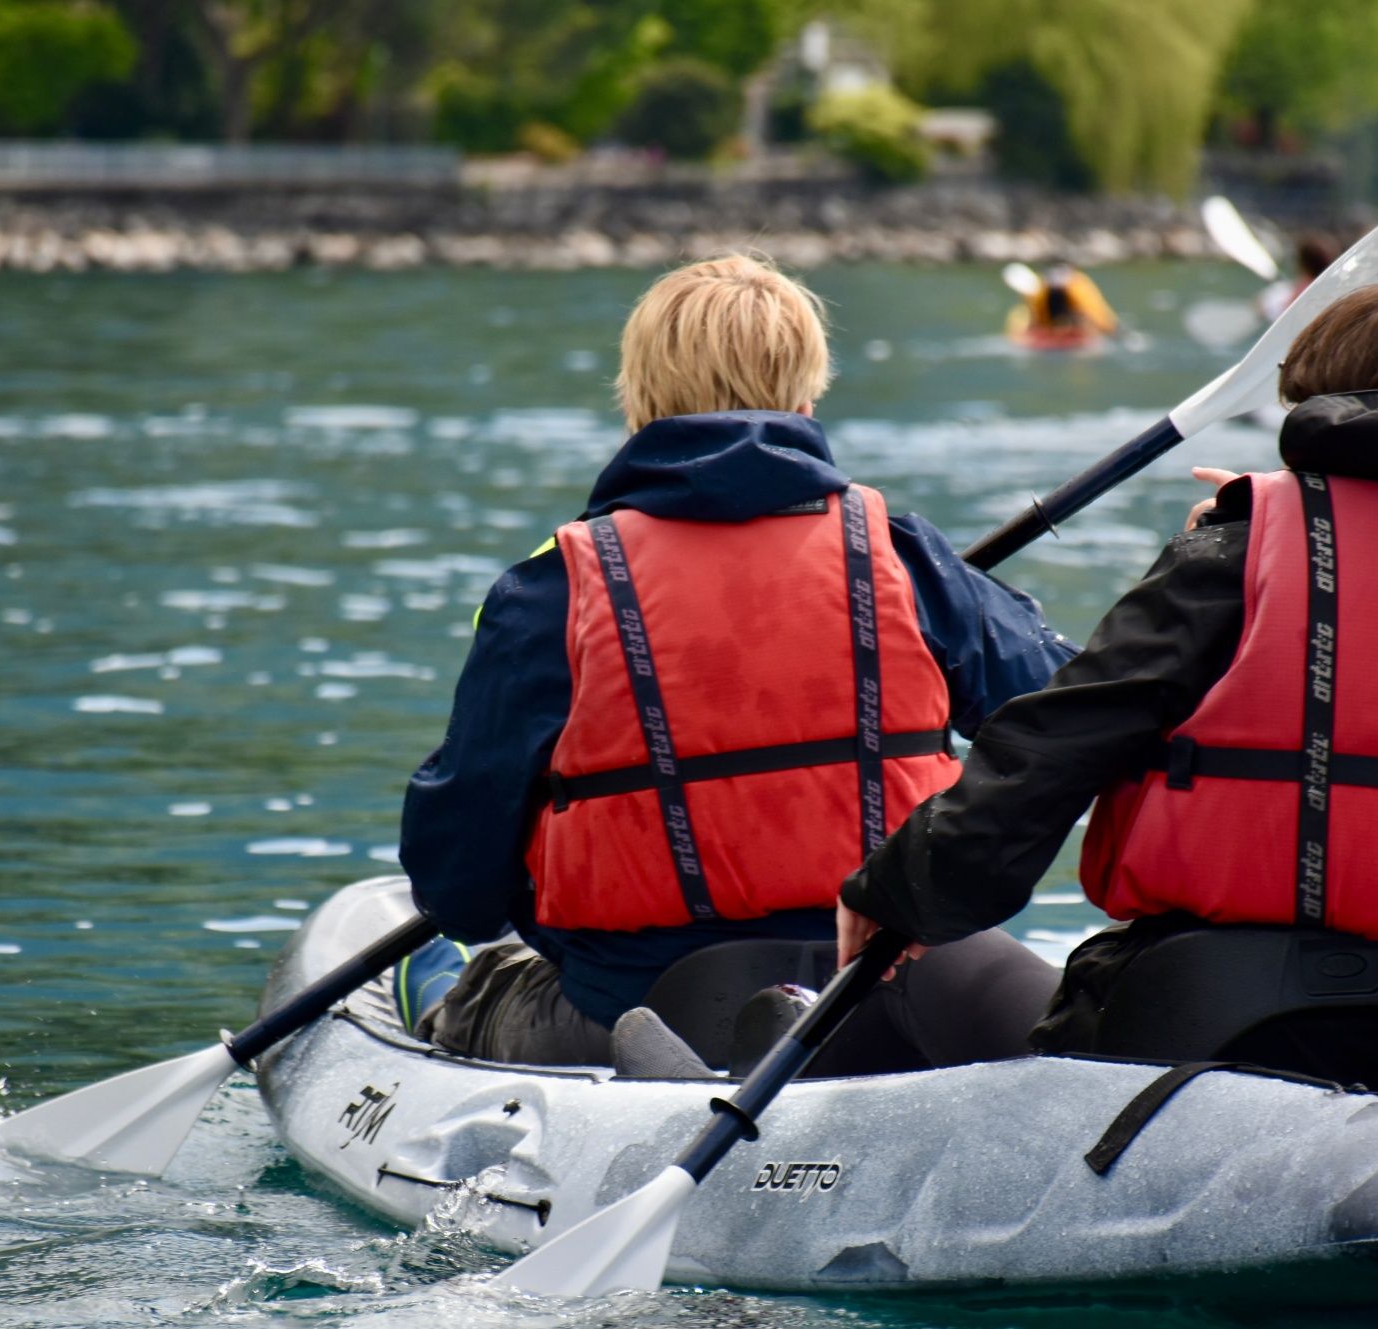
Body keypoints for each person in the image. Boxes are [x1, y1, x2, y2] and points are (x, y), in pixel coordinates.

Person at [838, 278, 1378, 1065]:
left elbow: (1057, 744)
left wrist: (901, 893)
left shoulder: (1242, 548)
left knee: (953, 1002)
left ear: (1322, 400)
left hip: (1216, 1005)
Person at [399, 254, 1075, 1067]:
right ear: (806, 399)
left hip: (640, 1001)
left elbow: (459, 887)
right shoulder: (904, 559)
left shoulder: (553, 592)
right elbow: (1075, 720)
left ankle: (445, 1002)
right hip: (893, 984)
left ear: (637, 403)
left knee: (478, 986)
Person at [1010, 263, 1119, 343]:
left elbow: (1096, 314)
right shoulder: (1041, 293)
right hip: (1056, 327)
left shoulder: (1077, 287)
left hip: (1077, 325)